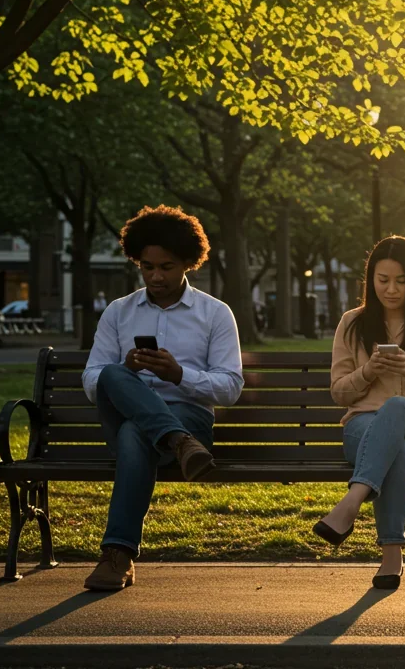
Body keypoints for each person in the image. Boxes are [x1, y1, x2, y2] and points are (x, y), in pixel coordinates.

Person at [81, 206, 243, 591]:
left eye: (166, 267)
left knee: (136, 434)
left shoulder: (215, 314)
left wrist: (179, 375)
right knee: (113, 373)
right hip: (161, 432)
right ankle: (176, 442)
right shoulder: (119, 312)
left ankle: (117, 555)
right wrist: (129, 371)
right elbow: (92, 379)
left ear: (189, 263)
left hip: (190, 417)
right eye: (147, 266)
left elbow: (231, 386)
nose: (155, 276)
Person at [315, 236, 405, 590]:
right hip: (364, 428)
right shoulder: (352, 323)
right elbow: (338, 392)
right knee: (396, 447)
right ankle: (392, 556)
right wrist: (369, 371)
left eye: (401, 281)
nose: (391, 289)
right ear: (371, 280)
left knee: (396, 409)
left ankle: (351, 502)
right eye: (383, 280)